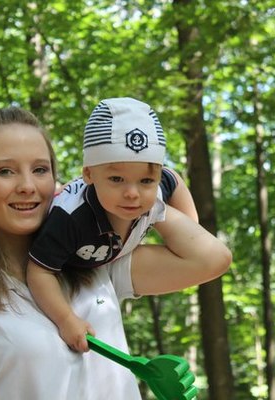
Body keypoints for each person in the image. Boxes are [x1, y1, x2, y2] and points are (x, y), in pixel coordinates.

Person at [0, 105, 231, 400]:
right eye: (5, 171)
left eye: (40, 170)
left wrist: (142, 198)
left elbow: (208, 260)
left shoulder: (95, 259)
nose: (27, 186)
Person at [26, 97, 198, 353]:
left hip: (110, 257)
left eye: (146, 181)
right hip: (72, 266)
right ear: (88, 174)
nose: (132, 193)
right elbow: (39, 272)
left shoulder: (157, 188)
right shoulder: (70, 217)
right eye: (116, 179)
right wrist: (66, 319)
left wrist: (188, 225)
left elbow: (173, 181)